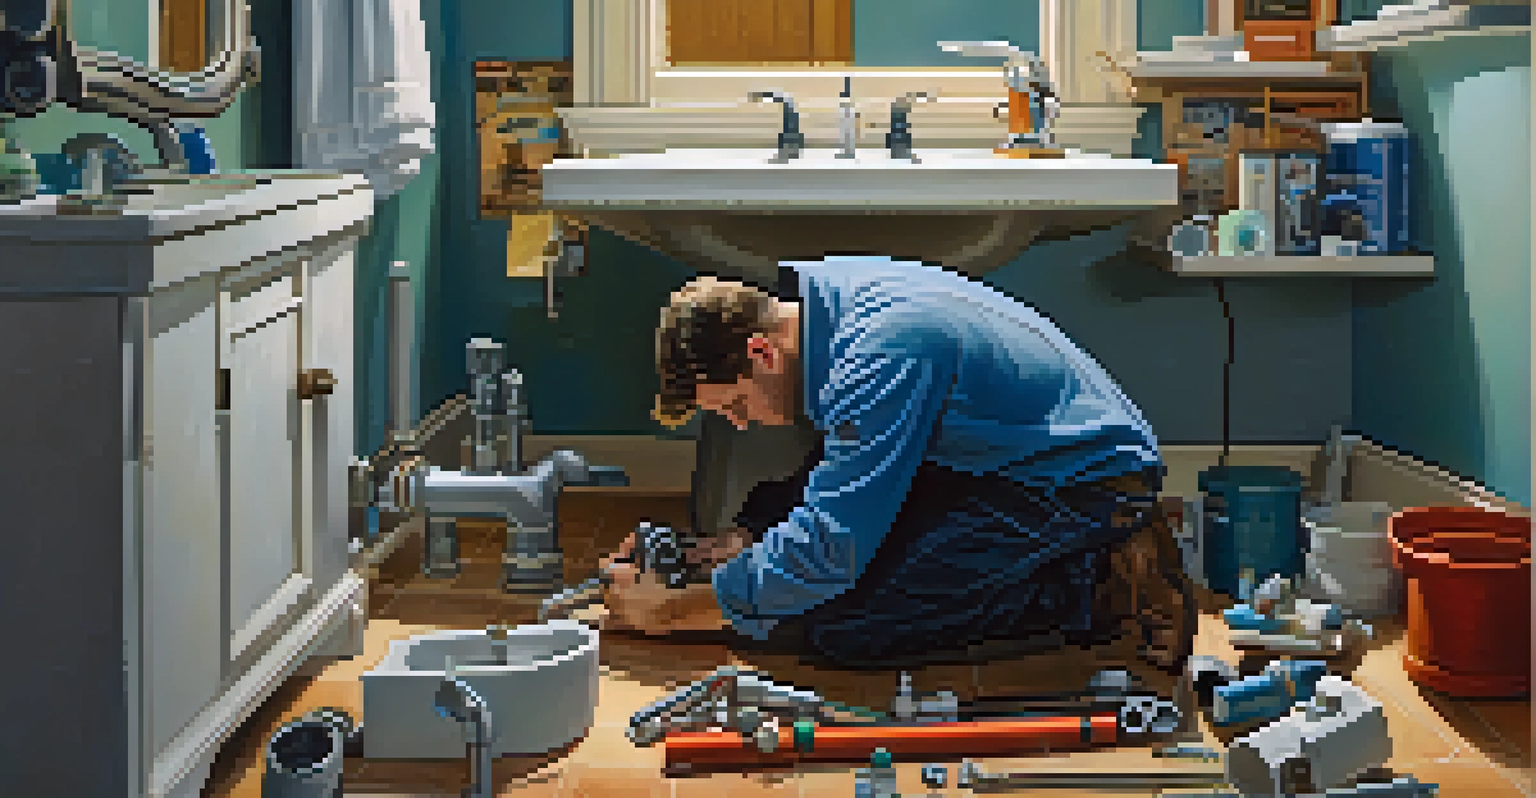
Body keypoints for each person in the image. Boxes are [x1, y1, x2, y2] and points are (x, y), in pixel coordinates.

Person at [601, 256, 1196, 671]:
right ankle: (1084, 561)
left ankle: (1096, 581)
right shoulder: (829, 302)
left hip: (1083, 485)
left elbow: (830, 552)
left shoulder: (881, 354)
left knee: (848, 626)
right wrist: (743, 540)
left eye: (734, 404)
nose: (740, 422)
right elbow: (849, 466)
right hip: (1004, 454)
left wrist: (681, 609)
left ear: (760, 353)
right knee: (805, 502)